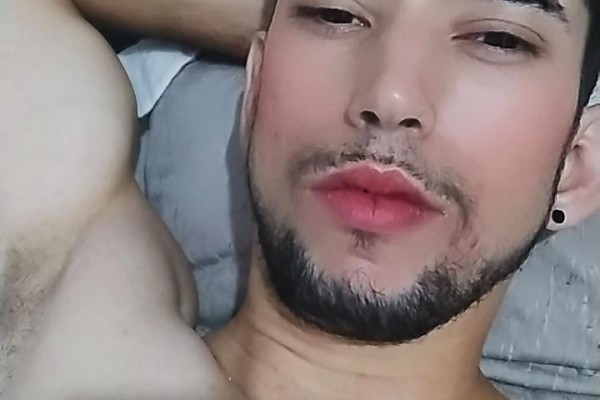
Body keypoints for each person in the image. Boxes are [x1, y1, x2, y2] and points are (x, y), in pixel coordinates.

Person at [2, 1, 599, 399]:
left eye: (498, 39)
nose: (389, 96)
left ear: (574, 167)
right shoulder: (67, 335)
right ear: (255, 91)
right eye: (333, 13)